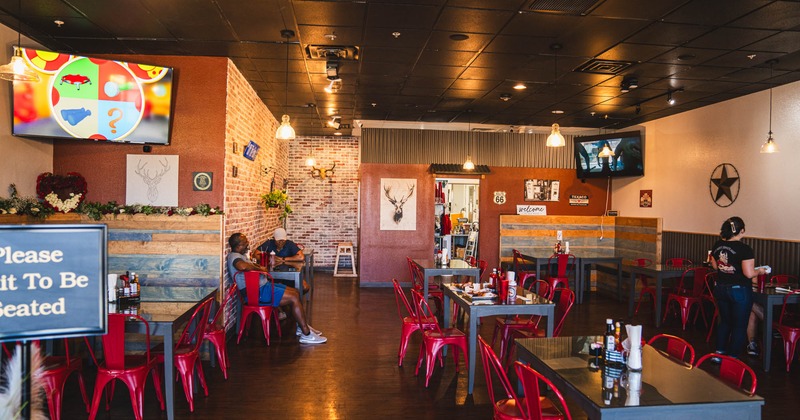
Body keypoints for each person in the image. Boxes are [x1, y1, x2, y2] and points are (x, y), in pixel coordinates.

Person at [227, 233, 325, 344]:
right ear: (238, 246)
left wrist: (259, 268)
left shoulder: (241, 255)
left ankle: (301, 327)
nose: (248, 244)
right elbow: (242, 266)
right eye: (245, 243)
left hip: (263, 287)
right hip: (256, 293)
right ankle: (306, 334)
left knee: (296, 293)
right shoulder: (234, 256)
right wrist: (261, 269)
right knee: (293, 297)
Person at [710, 217, 767, 359]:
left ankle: (719, 354)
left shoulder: (717, 245)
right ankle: (732, 357)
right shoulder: (745, 249)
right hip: (739, 290)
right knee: (739, 325)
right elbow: (748, 273)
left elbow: (715, 266)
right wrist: (760, 271)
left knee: (725, 322)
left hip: (721, 288)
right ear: (742, 231)